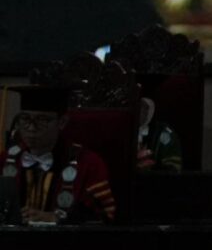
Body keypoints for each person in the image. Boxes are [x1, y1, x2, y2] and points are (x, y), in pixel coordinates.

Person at [2, 85, 117, 224]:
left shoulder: (89, 164)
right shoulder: (5, 159)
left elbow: (102, 216)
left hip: (65, 237)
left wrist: (57, 218)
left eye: (42, 120)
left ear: (62, 122)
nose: (31, 128)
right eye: (25, 119)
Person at [132, 72, 184, 173]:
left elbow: (173, 168)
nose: (140, 112)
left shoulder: (164, 134)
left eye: (145, 108)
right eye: (137, 106)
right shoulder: (124, 130)